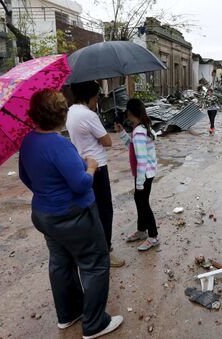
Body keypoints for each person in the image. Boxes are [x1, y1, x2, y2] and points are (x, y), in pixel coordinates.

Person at [19, 89, 123, 338]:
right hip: (73, 216)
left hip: (44, 215)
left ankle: (68, 314)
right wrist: (91, 167)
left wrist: (48, 193)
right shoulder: (60, 144)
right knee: (95, 263)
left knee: (61, 263)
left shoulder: (28, 141)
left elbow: (25, 176)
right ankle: (95, 323)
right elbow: (80, 184)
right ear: (60, 114)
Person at [66, 81, 124, 268]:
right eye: (97, 96)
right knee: (105, 211)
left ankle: (90, 248)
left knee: (88, 210)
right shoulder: (89, 115)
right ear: (90, 96)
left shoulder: (71, 111)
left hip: (80, 164)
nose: (98, 99)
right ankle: (105, 251)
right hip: (97, 167)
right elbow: (107, 141)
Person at [114, 99, 159, 252]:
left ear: (130, 112)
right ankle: (141, 230)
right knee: (140, 200)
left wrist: (139, 182)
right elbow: (131, 146)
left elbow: (141, 159)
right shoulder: (139, 129)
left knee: (143, 203)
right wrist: (122, 132)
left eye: (127, 110)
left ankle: (153, 236)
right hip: (144, 173)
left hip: (144, 174)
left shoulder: (139, 131)